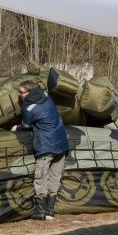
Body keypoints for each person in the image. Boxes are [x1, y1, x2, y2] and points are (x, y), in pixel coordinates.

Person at [16, 81, 69, 221]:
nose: (19, 95)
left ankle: (40, 212)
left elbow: (26, 124)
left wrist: (16, 128)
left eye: (21, 92)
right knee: (55, 177)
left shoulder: (29, 107)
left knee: (41, 178)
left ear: (29, 92)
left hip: (46, 145)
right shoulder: (46, 95)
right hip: (62, 143)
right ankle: (50, 211)